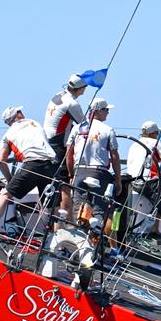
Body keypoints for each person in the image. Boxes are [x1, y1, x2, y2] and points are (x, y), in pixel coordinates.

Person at [0, 106, 57, 239]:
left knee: (5, 194)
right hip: (52, 166)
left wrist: (10, 180)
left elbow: (0, 161)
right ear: (18, 115)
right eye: (20, 111)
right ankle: (54, 240)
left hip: (32, 164)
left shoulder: (8, 135)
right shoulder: (35, 123)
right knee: (48, 204)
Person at [66, 98, 122, 232]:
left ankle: (82, 241)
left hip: (79, 172)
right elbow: (114, 156)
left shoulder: (76, 128)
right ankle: (108, 246)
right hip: (99, 173)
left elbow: (69, 153)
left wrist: (71, 175)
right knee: (103, 213)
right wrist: (118, 180)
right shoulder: (108, 130)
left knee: (80, 210)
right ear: (99, 111)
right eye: (106, 110)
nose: (108, 113)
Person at [43, 73, 88, 227]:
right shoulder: (72, 104)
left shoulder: (58, 95)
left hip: (46, 142)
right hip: (58, 146)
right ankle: (68, 224)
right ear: (81, 89)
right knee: (65, 184)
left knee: (51, 182)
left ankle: (53, 222)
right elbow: (85, 126)